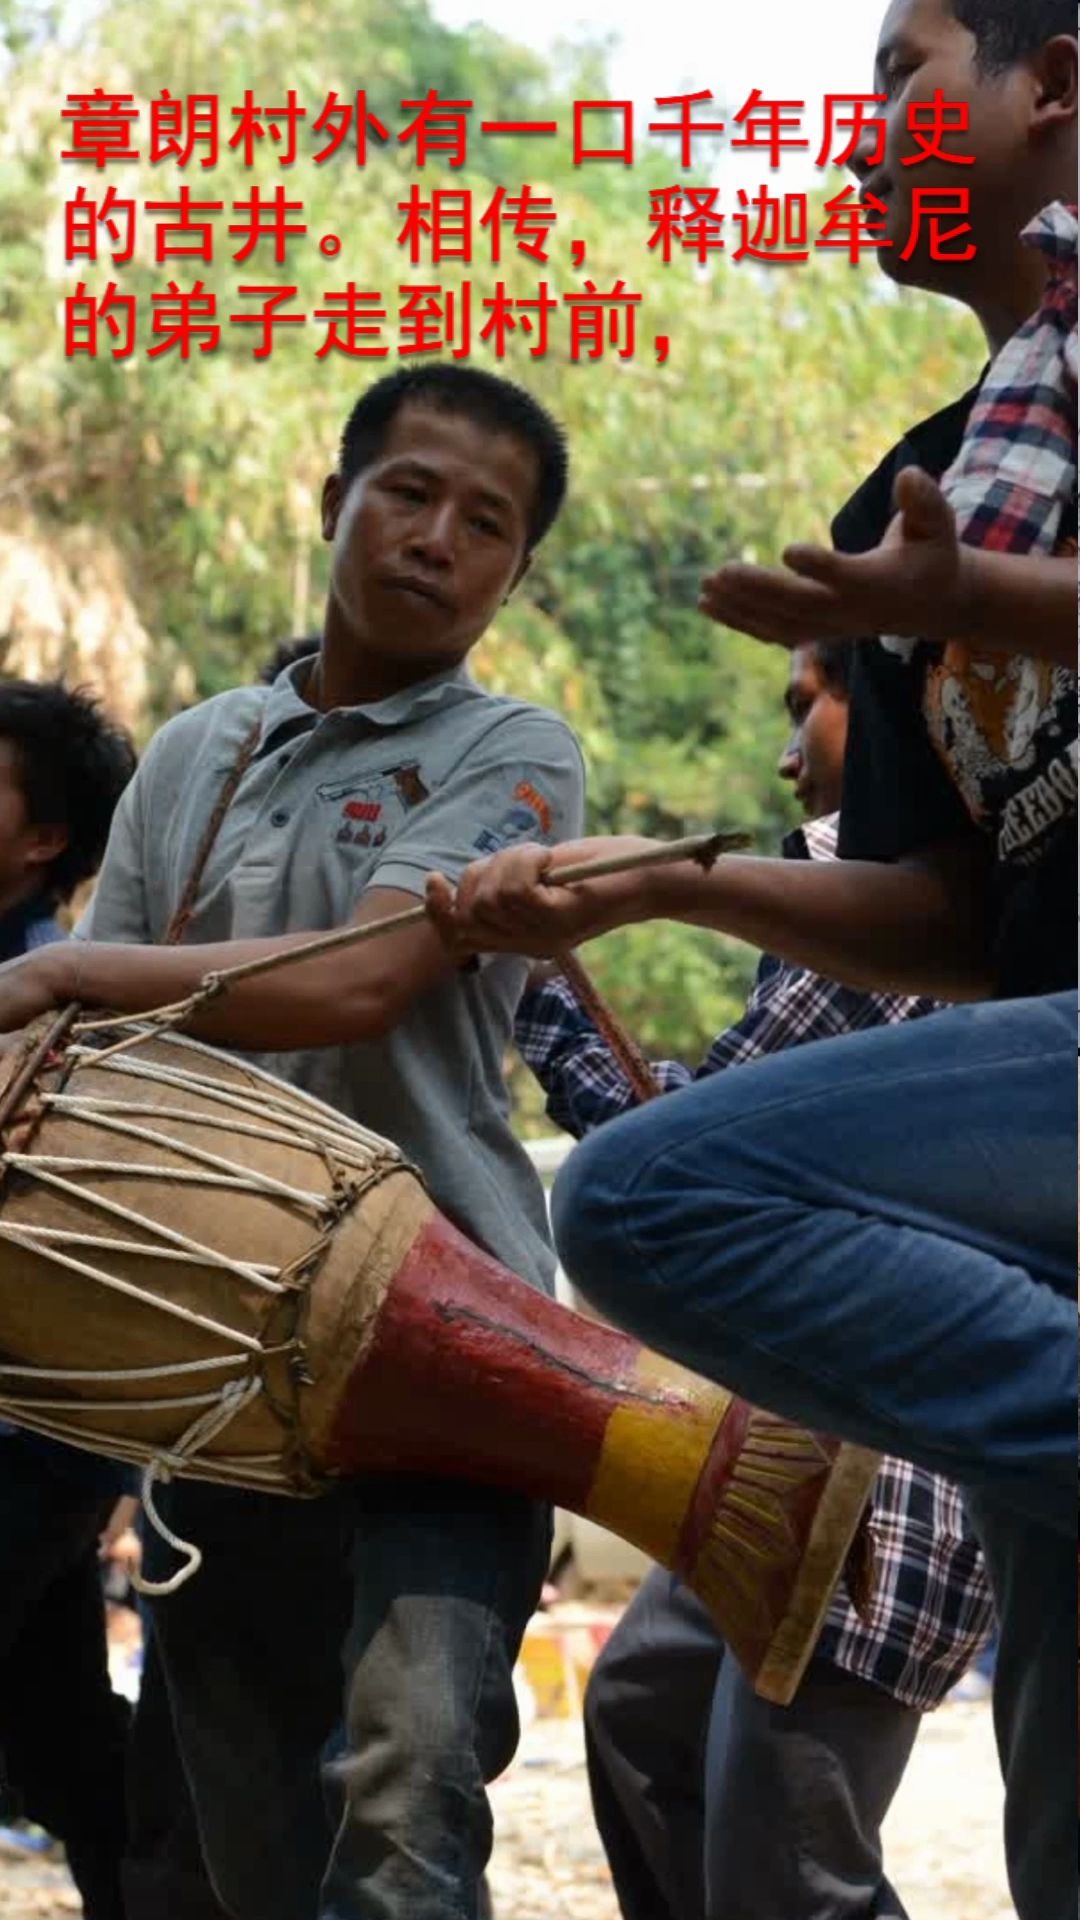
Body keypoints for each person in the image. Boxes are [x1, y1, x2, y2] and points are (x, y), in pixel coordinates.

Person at [424, 9, 1077, 1919]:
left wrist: (980, 597)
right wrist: (652, 895)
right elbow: (956, 920)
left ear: (1053, 84)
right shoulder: (928, 488)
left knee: (647, 1196)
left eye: (905, 75)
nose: (860, 133)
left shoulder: (959, 547)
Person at [0, 365, 585, 1920]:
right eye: (407, 493)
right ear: (333, 504)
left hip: (460, 1341)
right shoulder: (197, 753)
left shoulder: (515, 749)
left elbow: (363, 980)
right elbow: (96, 1073)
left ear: (514, 574)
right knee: (246, 1837)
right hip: (210, 1370)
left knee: (401, 1800)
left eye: (487, 525)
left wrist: (55, 970)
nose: (437, 540)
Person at [514, 640, 994, 1920]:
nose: (787, 755)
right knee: (637, 1721)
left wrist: (525, 977)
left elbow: (664, 1147)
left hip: (886, 1488)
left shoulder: (875, 902)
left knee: (786, 1876)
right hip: (791, 1460)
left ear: (889, 720)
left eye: (810, 707)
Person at [0, 678, 136, 1920]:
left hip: (31, 1432)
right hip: (40, 1442)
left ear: (43, 840)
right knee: (60, 1737)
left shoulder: (55, 1003)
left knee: (61, 1738)